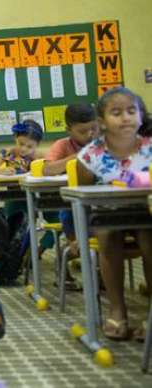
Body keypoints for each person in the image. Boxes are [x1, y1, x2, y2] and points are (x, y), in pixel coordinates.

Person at [77, 87, 152, 340]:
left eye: (132, 111)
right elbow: (83, 198)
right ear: (102, 122)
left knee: (148, 235)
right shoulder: (89, 155)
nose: (126, 117)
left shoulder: (150, 147)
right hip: (107, 216)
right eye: (117, 112)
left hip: (147, 214)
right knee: (108, 236)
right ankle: (117, 309)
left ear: (141, 116)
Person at [42, 103, 98, 284]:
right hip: (71, 206)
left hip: (97, 204)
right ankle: (64, 262)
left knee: (102, 241)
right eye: (83, 131)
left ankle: (100, 274)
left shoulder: (101, 143)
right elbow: (48, 169)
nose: (90, 135)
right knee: (78, 246)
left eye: (93, 129)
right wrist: (76, 157)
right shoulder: (62, 145)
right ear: (69, 130)